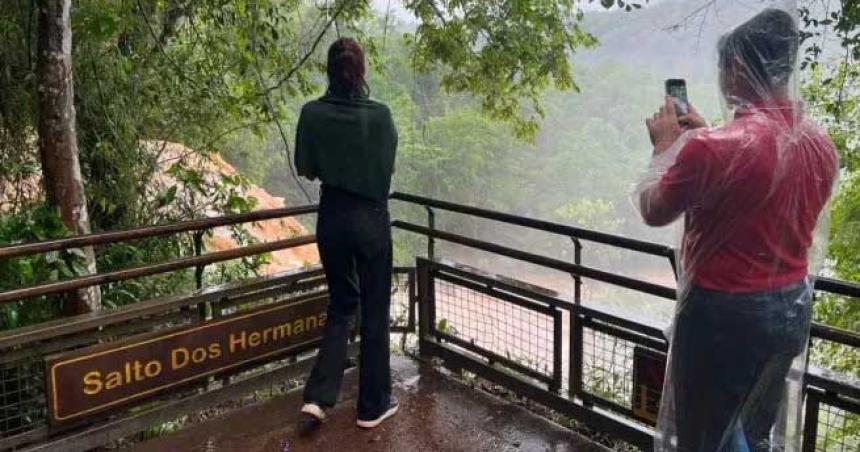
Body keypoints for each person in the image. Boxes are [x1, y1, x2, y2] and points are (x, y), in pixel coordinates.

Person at [637, 9, 838, 452]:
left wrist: (665, 150)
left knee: (704, 438)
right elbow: (766, 194)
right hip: (789, 310)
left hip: (722, 316)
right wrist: (709, 133)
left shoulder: (714, 150)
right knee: (753, 431)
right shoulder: (818, 143)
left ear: (738, 67)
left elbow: (654, 209)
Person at [294, 37, 398, 429]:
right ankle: (373, 406)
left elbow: (306, 166)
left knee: (341, 303)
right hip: (371, 219)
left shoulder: (312, 114)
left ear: (329, 70)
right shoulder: (381, 116)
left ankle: (319, 399)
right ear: (362, 71)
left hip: (332, 217)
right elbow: (386, 169)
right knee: (374, 309)